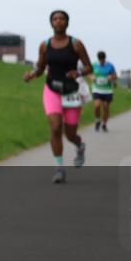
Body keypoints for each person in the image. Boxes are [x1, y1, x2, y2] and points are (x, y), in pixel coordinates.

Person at [23, 10, 95, 184]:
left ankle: (79, 145)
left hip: (71, 92)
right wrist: (32, 75)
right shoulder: (45, 45)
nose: (58, 21)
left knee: (70, 133)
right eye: (55, 19)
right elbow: (41, 68)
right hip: (52, 90)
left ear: (67, 23)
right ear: (51, 23)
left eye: (62, 18)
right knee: (55, 127)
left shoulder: (76, 44)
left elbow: (89, 68)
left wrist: (78, 71)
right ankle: (59, 169)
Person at [91, 51, 118, 132]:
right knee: (97, 106)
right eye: (100, 60)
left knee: (106, 107)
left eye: (102, 60)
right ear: (98, 59)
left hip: (107, 90)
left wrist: (111, 77)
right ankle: (97, 120)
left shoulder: (110, 65)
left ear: (105, 59)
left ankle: (104, 124)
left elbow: (115, 76)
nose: (101, 62)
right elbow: (89, 73)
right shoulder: (94, 65)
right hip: (97, 89)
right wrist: (92, 78)